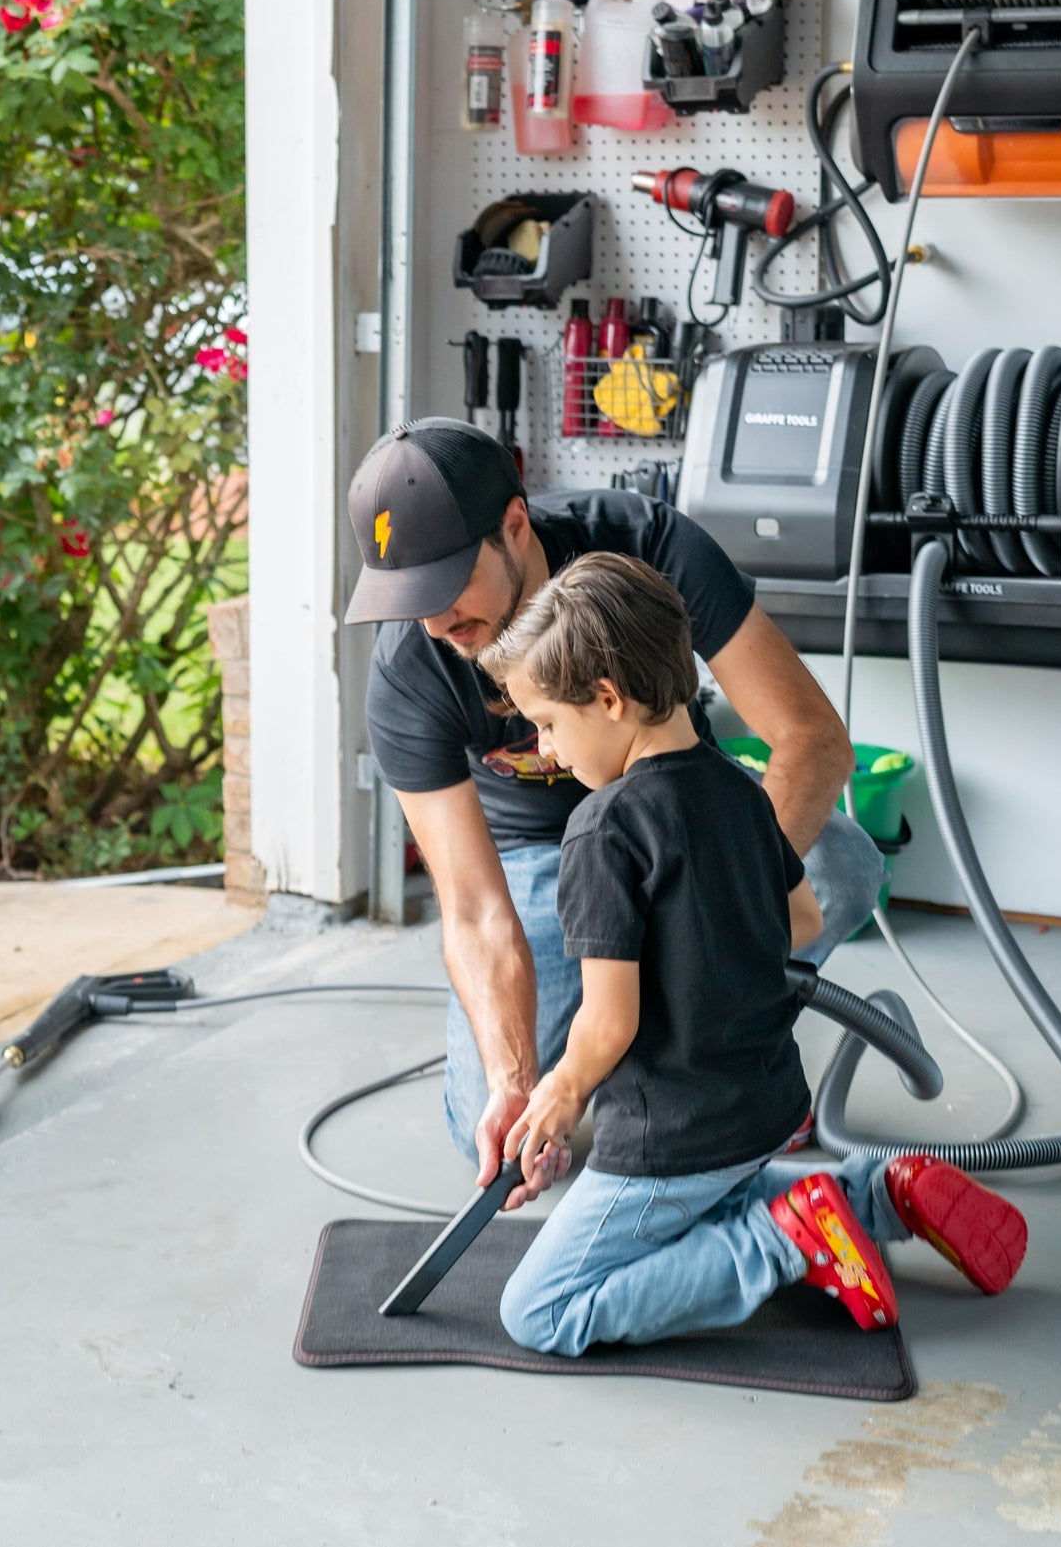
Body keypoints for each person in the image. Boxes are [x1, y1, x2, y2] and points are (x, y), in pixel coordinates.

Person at [475, 552, 1028, 1353]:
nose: (548, 750)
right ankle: (871, 1196)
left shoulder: (603, 830)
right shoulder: (741, 787)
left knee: (540, 1310)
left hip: (667, 1142)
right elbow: (800, 920)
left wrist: (556, 1099)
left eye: (551, 724)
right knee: (710, 1193)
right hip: (764, 1112)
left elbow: (609, 1023)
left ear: (608, 699)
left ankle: (785, 1243)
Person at [346, 419, 889, 1207]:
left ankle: (724, 1056)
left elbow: (812, 740)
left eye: (447, 583)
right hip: (541, 861)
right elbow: (471, 912)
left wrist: (714, 909)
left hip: (681, 808)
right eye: (409, 596)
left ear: (514, 526)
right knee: (491, 1119)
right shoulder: (412, 669)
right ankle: (649, 1032)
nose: (433, 622)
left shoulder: (646, 548)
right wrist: (516, 1077)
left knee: (839, 869)